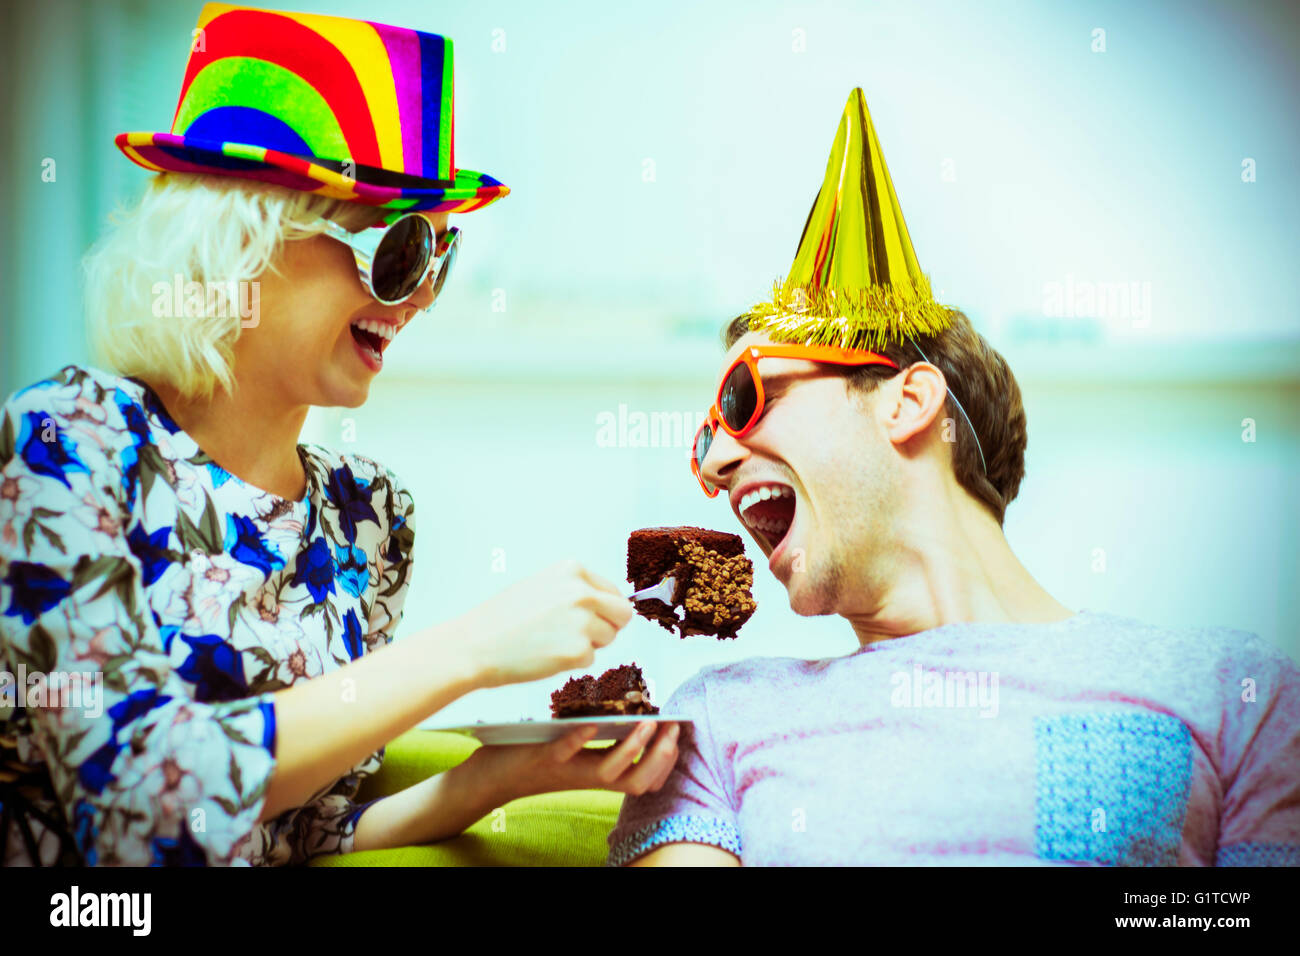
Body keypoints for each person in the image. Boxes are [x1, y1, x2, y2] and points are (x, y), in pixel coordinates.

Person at [0, 3, 677, 867]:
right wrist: (470, 651)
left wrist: (503, 776)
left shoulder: (370, 515)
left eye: (440, 253)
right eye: (395, 247)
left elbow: (303, 835)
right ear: (240, 238)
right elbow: (141, 808)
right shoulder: (69, 440)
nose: (423, 294)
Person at [605, 88, 1300, 867]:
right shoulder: (717, 721)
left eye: (742, 399)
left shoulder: (1237, 696)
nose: (713, 463)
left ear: (909, 401)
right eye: (707, 434)